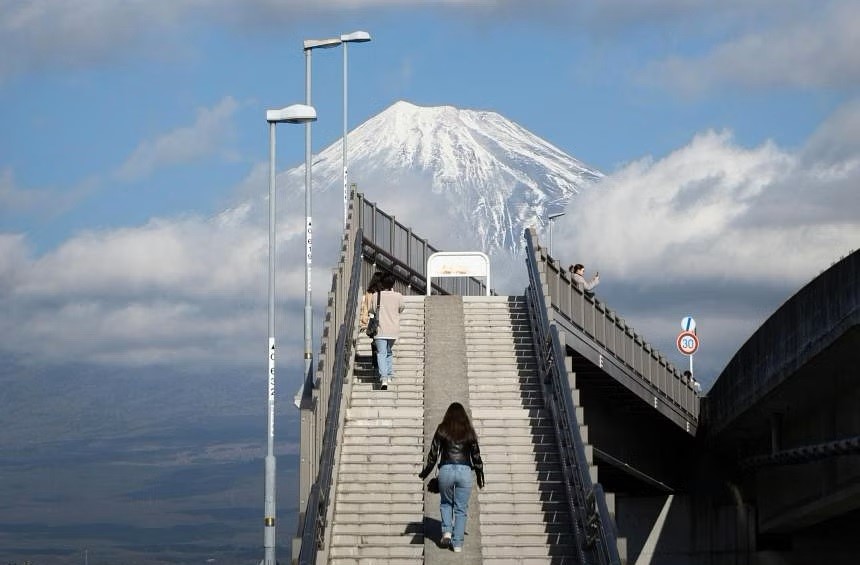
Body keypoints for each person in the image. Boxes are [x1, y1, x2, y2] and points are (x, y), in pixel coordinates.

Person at [418, 402, 485, 553]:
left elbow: (433, 454)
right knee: (461, 509)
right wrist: (480, 474)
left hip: (446, 469)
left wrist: (425, 472)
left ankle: (447, 531)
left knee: (446, 503)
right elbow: (476, 455)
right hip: (465, 470)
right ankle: (458, 544)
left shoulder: (442, 428)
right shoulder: (469, 430)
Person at [373, 272, 404, 390]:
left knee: (381, 353)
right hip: (393, 330)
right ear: (393, 284)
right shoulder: (398, 296)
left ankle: (384, 378)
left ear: (382, 283)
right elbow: (401, 308)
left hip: (380, 330)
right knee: (389, 352)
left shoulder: (377, 295)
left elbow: (372, 309)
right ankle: (390, 374)